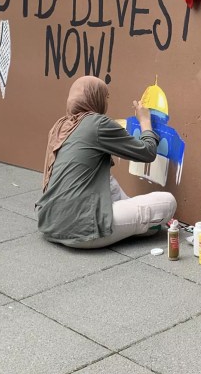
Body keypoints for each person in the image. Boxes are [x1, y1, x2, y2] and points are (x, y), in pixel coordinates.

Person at [35, 75, 177, 249]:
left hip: (49, 222)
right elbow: (147, 152)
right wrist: (145, 121)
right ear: (95, 98)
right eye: (105, 97)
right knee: (167, 202)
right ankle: (139, 224)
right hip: (82, 231)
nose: (107, 102)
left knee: (106, 179)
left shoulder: (60, 125)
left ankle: (137, 222)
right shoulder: (97, 124)